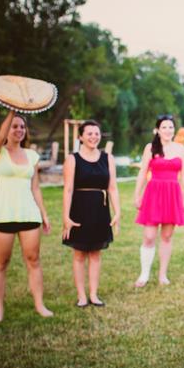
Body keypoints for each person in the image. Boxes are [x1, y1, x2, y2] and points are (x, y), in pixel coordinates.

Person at [0, 110, 52, 322]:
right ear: (7, 129)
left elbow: (35, 188)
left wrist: (43, 214)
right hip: (3, 214)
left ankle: (40, 305)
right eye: (14, 126)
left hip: (29, 214)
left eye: (22, 127)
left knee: (34, 260)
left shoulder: (32, 156)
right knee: (1, 262)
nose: (19, 130)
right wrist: (13, 110)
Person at [62, 120, 120, 307]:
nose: (94, 137)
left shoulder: (108, 158)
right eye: (89, 133)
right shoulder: (72, 159)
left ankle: (94, 294)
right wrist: (66, 217)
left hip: (100, 210)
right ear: (80, 136)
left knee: (95, 254)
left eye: (97, 133)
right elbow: (68, 190)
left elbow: (112, 188)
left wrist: (117, 212)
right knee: (79, 254)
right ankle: (81, 296)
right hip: (79, 210)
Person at [134, 115, 184, 287]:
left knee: (166, 236)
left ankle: (162, 275)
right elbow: (143, 172)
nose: (168, 130)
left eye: (170, 127)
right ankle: (144, 274)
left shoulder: (180, 149)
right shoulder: (150, 148)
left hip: (172, 194)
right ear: (157, 130)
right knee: (149, 236)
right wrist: (137, 194)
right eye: (164, 127)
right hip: (154, 193)